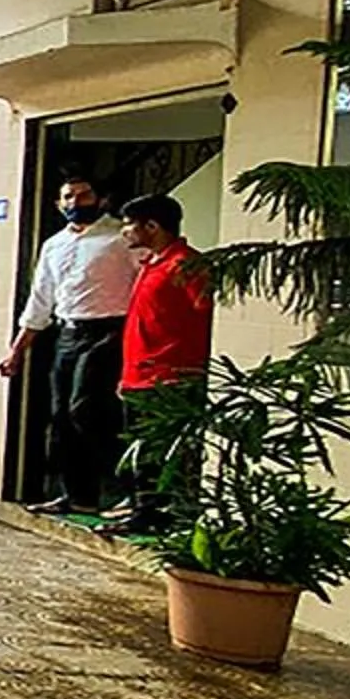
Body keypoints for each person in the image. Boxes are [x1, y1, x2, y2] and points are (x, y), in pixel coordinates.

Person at [0, 173, 141, 515]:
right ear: (58, 203)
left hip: (110, 332)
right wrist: (17, 351)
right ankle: (77, 495)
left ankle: (126, 493)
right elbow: (40, 300)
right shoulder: (54, 244)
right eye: (68, 197)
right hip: (66, 334)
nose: (76, 203)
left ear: (100, 199)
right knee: (61, 415)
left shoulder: (120, 239)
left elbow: (146, 285)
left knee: (87, 410)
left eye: (83, 195)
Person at [110, 192, 214, 532]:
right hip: (139, 374)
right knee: (141, 450)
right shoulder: (151, 265)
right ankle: (141, 509)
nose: (124, 231)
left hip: (169, 377)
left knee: (162, 453)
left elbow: (207, 316)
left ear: (152, 226)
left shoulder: (186, 265)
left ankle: (159, 517)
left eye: (129, 225)